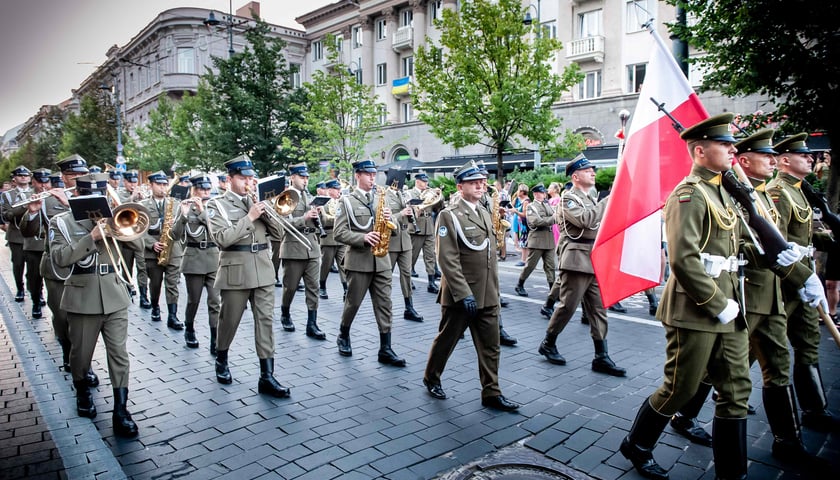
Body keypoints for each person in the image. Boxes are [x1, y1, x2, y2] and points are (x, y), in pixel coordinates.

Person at [668, 129, 827, 469]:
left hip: (768, 297)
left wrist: (799, 265)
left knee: (767, 370)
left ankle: (787, 441)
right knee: (713, 374)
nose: (772, 160)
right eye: (724, 145)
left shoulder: (751, 196)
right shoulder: (701, 193)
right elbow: (695, 255)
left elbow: (771, 240)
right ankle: (673, 421)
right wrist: (719, 300)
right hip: (744, 294)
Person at [619, 114, 754, 480]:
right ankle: (638, 444)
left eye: (731, 144)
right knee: (680, 388)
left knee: (736, 388)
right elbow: (683, 258)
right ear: (699, 151)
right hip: (696, 308)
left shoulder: (722, 192)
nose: (732, 149)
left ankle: (732, 472)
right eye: (724, 144)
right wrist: (717, 303)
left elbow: (734, 247)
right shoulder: (689, 193)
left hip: (730, 306)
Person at [423, 161, 520, 411]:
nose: (480, 185)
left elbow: (489, 256)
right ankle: (431, 377)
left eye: (481, 181)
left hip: (487, 293)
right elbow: (447, 257)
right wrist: (463, 292)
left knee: (490, 345)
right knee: (447, 339)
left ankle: (491, 392)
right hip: (461, 294)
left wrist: (495, 291)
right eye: (473, 182)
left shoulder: (484, 212)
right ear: (460, 186)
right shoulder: (449, 215)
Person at [48, 172, 138, 437]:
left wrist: (123, 230)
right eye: (90, 196)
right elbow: (60, 258)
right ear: (77, 194)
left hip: (115, 294)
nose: (97, 202)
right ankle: (82, 390)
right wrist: (92, 238)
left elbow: (138, 246)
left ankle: (121, 410)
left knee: (119, 354)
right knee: (81, 354)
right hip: (82, 297)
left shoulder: (116, 217)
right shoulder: (62, 222)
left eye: (102, 195)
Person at [767, 133, 839, 432]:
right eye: (804, 156)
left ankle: (814, 408)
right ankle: (718, 391)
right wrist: (802, 277)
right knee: (757, 350)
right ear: (785, 161)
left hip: (804, 278)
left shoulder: (800, 191)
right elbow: (776, 242)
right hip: (784, 283)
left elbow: (804, 235)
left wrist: (829, 239)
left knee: (808, 342)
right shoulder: (778, 192)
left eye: (810, 156)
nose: (811, 158)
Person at [205, 155, 290, 397]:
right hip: (236, 270)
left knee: (265, 322)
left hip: (263, 268)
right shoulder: (216, 205)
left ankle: (267, 376)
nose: (248, 182)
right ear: (229, 179)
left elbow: (279, 234)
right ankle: (221, 358)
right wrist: (250, 217)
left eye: (250, 178)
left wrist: (268, 213)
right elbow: (222, 239)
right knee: (229, 321)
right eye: (242, 178)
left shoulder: (260, 203)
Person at [538, 154, 626, 377]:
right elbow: (586, 220)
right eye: (588, 171)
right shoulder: (569, 199)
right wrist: (610, 199)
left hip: (593, 258)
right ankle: (548, 342)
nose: (593, 173)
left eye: (593, 170)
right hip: (576, 260)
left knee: (598, 309)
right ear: (575, 176)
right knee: (568, 306)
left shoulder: (589, 198)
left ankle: (601, 356)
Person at [20, 156, 97, 387]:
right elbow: (28, 231)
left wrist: (71, 205)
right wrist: (33, 212)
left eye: (80, 175)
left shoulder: (93, 197)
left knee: (84, 321)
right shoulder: (49, 199)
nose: (77, 180)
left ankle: (84, 365)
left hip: (85, 266)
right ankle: (67, 352)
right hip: (58, 269)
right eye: (72, 176)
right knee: (63, 318)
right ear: (63, 177)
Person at [333, 160, 406, 366]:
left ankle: (385, 348)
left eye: (374, 174)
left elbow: (395, 229)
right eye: (368, 174)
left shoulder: (381, 198)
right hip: (358, 261)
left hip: (382, 260)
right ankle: (343, 334)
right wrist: (363, 238)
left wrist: (391, 218)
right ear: (358, 175)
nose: (373, 177)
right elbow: (339, 233)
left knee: (385, 304)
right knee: (353, 302)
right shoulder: (346, 201)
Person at [277, 163, 326, 339]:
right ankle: (285, 313)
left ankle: (311, 324)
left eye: (307, 177)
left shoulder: (309, 196)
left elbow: (322, 220)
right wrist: (304, 218)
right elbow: (282, 224)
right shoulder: (286, 197)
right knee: (290, 287)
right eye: (302, 177)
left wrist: (319, 213)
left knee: (313, 287)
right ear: (293, 177)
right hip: (294, 247)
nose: (306, 180)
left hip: (312, 246)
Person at [177, 174, 221, 353]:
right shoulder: (184, 207)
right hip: (193, 259)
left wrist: (202, 210)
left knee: (215, 301)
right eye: (201, 189)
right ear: (193, 190)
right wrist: (184, 216)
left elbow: (216, 229)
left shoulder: (215, 207)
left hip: (213, 258)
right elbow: (175, 235)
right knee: (193, 300)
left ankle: (214, 340)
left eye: (207, 189)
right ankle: (189, 328)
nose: (205, 192)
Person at [140, 171, 185, 328]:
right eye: (159, 184)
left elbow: (181, 231)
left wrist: (177, 223)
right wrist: (151, 244)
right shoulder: (142, 206)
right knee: (155, 283)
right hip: (152, 252)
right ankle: (155, 307)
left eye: (165, 184)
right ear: (151, 185)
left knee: (172, 284)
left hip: (173, 249)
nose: (163, 187)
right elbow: (139, 230)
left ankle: (172, 316)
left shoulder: (176, 204)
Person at [386, 181, 424, 322]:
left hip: (405, 239)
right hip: (392, 240)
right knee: (386, 275)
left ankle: (409, 307)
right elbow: (385, 218)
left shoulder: (404, 194)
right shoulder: (384, 196)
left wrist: (414, 210)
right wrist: (401, 213)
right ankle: (385, 306)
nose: (399, 183)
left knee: (407, 274)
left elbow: (413, 217)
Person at [514, 184, 557, 297]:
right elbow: (537, 221)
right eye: (537, 193)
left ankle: (553, 291)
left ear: (544, 194)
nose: (539, 195)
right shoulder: (531, 206)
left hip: (548, 240)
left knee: (550, 267)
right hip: (537, 240)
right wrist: (553, 218)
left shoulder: (547, 205)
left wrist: (553, 217)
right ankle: (520, 284)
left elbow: (553, 216)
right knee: (530, 265)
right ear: (534, 194)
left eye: (541, 193)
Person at [20, 168, 51, 318]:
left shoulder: (55, 197)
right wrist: (30, 210)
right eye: (40, 182)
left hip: (51, 245)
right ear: (33, 182)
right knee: (34, 277)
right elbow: (15, 217)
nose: (43, 185)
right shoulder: (24, 196)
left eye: (46, 181)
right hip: (33, 245)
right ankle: (36, 302)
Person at [1, 165, 33, 302]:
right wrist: (24, 207)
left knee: (34, 267)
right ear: (14, 178)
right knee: (18, 264)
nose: (23, 177)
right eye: (20, 175)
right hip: (17, 235)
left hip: (33, 235)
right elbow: (6, 215)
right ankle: (20, 289)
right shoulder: (7, 195)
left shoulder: (35, 192)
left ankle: (36, 291)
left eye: (26, 175)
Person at [407, 173, 444, 293]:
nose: (426, 184)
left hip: (429, 227)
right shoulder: (410, 193)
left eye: (426, 181)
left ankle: (431, 282)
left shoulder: (430, 192)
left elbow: (439, 208)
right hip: (416, 228)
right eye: (424, 181)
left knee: (431, 256)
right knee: (412, 256)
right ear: (417, 181)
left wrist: (439, 196)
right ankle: (408, 279)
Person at [319, 179, 348, 300]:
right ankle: (322, 286)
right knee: (326, 265)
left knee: (344, 265)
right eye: (337, 189)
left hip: (341, 238)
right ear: (330, 190)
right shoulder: (322, 203)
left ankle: (346, 289)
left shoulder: (341, 202)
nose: (339, 191)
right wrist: (338, 219)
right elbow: (324, 220)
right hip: (329, 238)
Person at [510, 184, 530, 268]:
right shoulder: (523, 201)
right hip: (522, 224)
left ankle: (524, 260)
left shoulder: (526, 201)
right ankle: (524, 260)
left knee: (525, 243)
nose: (517, 192)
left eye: (518, 190)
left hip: (525, 225)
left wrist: (516, 211)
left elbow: (525, 215)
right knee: (523, 243)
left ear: (522, 191)